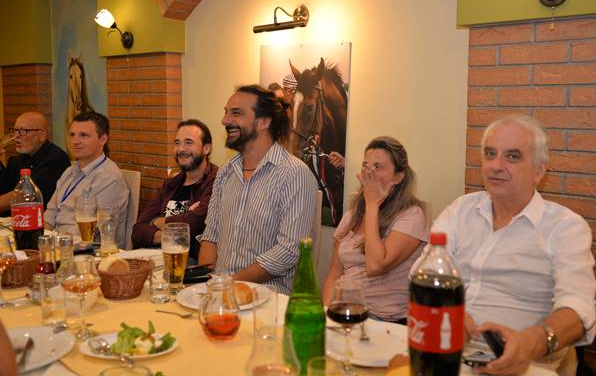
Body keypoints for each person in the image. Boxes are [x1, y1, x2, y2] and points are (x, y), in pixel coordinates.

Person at [407, 115, 596, 375]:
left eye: (512, 156)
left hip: (520, 363)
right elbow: (421, 272)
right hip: (442, 350)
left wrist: (529, 343)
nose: (495, 166)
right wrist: (448, 308)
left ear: (539, 171)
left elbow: (578, 308)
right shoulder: (460, 210)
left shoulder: (565, 227)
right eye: (490, 154)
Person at [197, 84, 317, 294]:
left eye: (236, 113)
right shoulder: (226, 172)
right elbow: (211, 235)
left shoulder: (295, 174)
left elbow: (288, 252)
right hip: (219, 294)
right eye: (226, 112)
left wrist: (229, 284)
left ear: (264, 121)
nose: (225, 121)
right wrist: (207, 285)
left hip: (268, 299)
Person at [322, 136, 428, 323]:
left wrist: (372, 204)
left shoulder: (413, 215)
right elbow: (334, 274)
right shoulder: (351, 216)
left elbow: (375, 265)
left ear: (398, 176)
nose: (369, 173)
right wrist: (326, 313)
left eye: (377, 167)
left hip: (385, 320)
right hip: (344, 312)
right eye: (365, 166)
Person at [131, 119, 218, 262]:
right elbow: (137, 231)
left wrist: (156, 222)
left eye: (188, 142)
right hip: (156, 255)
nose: (181, 149)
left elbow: (196, 222)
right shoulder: (171, 184)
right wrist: (181, 228)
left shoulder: (216, 181)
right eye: (177, 143)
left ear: (206, 148)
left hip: (190, 260)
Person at [45, 111, 129, 248]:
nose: (75, 141)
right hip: (57, 244)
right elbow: (49, 215)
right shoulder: (69, 172)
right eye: (72, 135)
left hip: (88, 251)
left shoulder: (109, 178)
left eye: (83, 135)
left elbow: (95, 234)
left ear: (103, 139)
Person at [0, 111, 70, 215]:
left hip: (43, 223)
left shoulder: (55, 158)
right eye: (15, 130)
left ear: (42, 135)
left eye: (23, 131)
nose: (16, 136)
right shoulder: (18, 160)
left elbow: (26, 194)